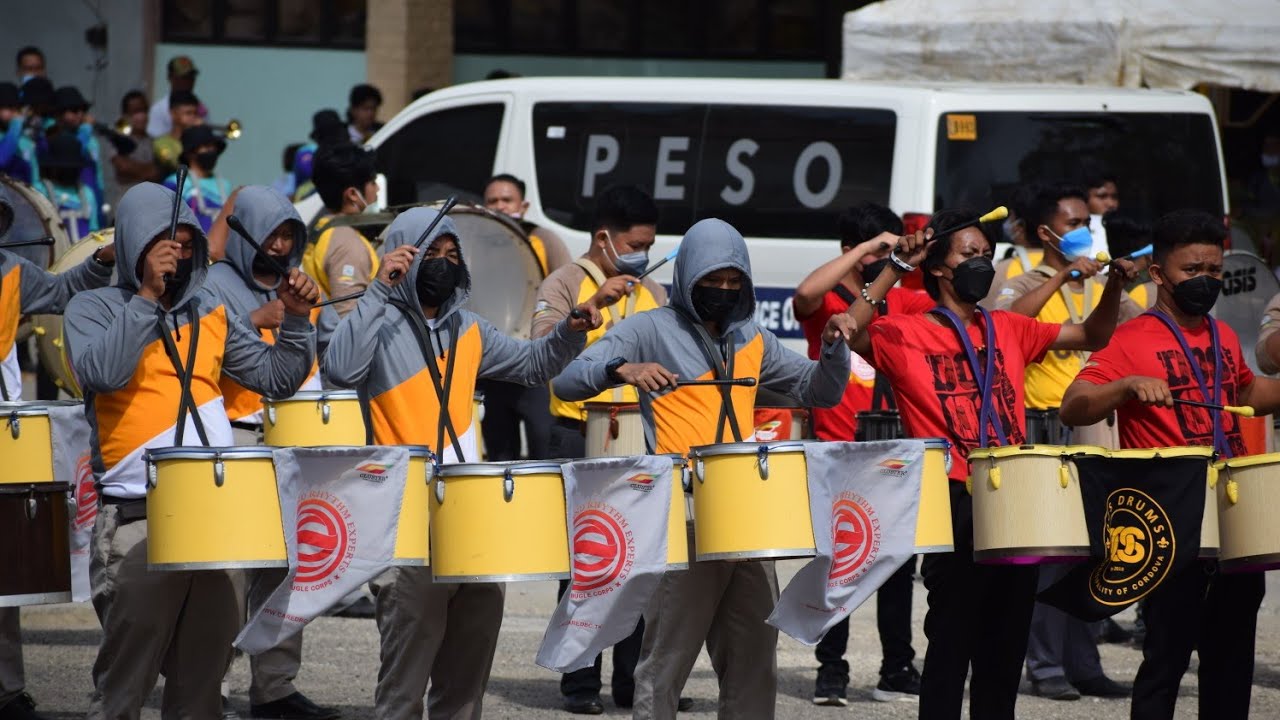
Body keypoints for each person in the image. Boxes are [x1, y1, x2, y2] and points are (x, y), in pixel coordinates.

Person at [553, 217, 856, 720]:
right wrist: (621, 369)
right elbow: (566, 380)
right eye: (712, 280)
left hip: (746, 520)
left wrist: (832, 348)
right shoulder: (650, 327)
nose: (724, 290)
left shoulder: (753, 338)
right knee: (666, 661)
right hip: (683, 516)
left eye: (734, 281)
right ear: (688, 276)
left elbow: (820, 391)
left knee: (755, 660)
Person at [841, 208, 1135, 720]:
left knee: (1005, 644)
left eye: (986, 254)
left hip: (1014, 491)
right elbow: (850, 328)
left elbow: (1092, 336)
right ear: (938, 267)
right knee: (952, 639)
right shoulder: (905, 332)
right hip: (953, 493)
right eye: (968, 254)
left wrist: (1113, 286)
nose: (981, 262)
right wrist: (897, 267)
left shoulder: (1008, 327)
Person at [323, 207, 600, 720]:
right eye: (432, 252)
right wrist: (379, 289)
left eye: (453, 255)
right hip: (403, 520)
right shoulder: (375, 323)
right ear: (403, 256)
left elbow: (532, 365)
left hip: (470, 514)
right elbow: (339, 369)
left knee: (468, 673)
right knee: (405, 676)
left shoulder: (469, 329)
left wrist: (569, 331)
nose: (444, 263)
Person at [64, 182, 318, 719]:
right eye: (164, 245)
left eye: (185, 245)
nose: (176, 256)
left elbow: (275, 378)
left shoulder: (210, 308)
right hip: (137, 519)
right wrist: (145, 298)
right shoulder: (92, 307)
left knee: (203, 685)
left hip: (216, 523)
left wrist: (296, 320)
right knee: (124, 687)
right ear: (135, 244)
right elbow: (103, 373)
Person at [1060, 209, 1280, 720]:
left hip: (1231, 515)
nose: (1206, 280)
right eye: (1192, 270)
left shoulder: (1222, 335)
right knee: (1166, 658)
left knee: (1232, 661)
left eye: (1214, 270)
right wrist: (1124, 386)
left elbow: (1246, 394)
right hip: (1169, 522)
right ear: (1159, 274)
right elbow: (1073, 405)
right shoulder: (1130, 338)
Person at [992, 184, 1139, 701]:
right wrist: (1062, 276)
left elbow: (1141, 330)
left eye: (1086, 222)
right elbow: (1006, 325)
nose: (1084, 231)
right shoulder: (1018, 279)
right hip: (1043, 428)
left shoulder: (1101, 282)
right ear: (1045, 232)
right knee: (1050, 552)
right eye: (1072, 223)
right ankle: (1045, 665)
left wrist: (1121, 282)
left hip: (1098, 428)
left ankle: (1084, 663)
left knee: (1095, 548)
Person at [532, 184, 670, 714]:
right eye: (635, 245)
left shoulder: (653, 290)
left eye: (649, 245)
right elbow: (542, 350)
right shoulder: (564, 282)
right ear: (603, 238)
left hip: (640, 437)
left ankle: (631, 681)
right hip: (577, 434)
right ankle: (580, 681)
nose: (642, 254)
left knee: (639, 562)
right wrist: (589, 308)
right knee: (585, 561)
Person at [203, 185, 340, 720]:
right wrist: (253, 320)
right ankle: (208, 685)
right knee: (229, 574)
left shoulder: (299, 283)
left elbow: (330, 347)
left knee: (287, 569)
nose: (280, 246)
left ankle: (275, 687)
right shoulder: (210, 284)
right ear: (243, 233)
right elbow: (191, 353)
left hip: (293, 440)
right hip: (235, 438)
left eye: (288, 235)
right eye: (270, 234)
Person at [792, 202, 931, 707]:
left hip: (893, 450)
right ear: (853, 249)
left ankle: (897, 667)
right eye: (879, 248)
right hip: (838, 451)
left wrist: (906, 259)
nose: (887, 257)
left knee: (897, 567)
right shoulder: (828, 301)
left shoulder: (904, 300)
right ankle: (832, 669)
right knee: (837, 562)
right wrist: (871, 250)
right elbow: (804, 295)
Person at [0, 197, 114, 720]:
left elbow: (64, 291)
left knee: (3, 569)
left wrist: (101, 262)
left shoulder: (11, 269)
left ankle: (6, 690)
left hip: (4, 434)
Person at [477, 172, 575, 461]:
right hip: (493, 364)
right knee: (499, 452)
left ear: (524, 205)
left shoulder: (543, 240)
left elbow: (567, 288)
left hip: (533, 362)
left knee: (543, 444)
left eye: (507, 200)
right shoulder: (473, 241)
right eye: (492, 201)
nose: (500, 206)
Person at [301, 143, 379, 316]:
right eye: (373, 182)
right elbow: (349, 316)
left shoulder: (323, 227)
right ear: (352, 194)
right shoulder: (347, 245)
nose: (377, 188)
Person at [164, 124, 230, 233]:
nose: (211, 151)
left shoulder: (225, 184)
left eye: (213, 147)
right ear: (190, 153)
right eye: (206, 147)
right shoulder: (175, 182)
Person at [38, 132, 101, 243]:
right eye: (64, 168)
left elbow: (93, 229)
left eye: (73, 168)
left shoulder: (87, 193)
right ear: (53, 167)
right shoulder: (41, 191)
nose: (69, 172)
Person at [102, 90, 158, 211]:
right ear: (125, 116)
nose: (142, 116)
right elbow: (123, 167)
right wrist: (147, 171)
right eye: (136, 112)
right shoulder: (117, 140)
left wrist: (136, 169)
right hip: (126, 203)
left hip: (150, 204)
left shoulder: (153, 141)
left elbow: (156, 173)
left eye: (144, 111)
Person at [50, 86, 105, 202]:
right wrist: (86, 128)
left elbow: (98, 173)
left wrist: (100, 195)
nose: (80, 115)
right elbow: (76, 151)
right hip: (72, 197)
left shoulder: (91, 140)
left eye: (83, 110)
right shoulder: (54, 138)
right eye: (74, 110)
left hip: (93, 195)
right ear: (59, 114)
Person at [289, 110, 347, 202]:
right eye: (327, 133)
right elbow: (311, 172)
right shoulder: (306, 152)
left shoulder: (346, 151)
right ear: (318, 136)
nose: (332, 137)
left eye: (334, 132)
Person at [147, 55, 202, 139]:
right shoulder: (159, 109)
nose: (189, 81)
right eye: (183, 77)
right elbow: (155, 140)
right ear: (170, 77)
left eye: (191, 77)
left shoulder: (201, 106)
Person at [152, 90, 202, 177]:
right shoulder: (160, 143)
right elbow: (175, 163)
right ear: (173, 113)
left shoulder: (199, 141)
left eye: (195, 113)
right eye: (188, 113)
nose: (193, 117)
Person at [0, 82, 37, 183]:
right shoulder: (15, 128)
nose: (15, 113)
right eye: (8, 107)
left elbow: (34, 179)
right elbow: (1, 160)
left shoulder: (26, 141)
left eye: (17, 108)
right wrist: (16, 125)